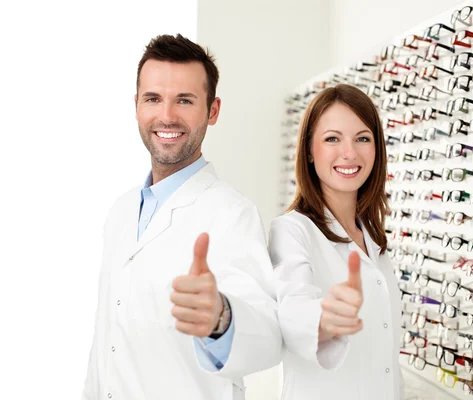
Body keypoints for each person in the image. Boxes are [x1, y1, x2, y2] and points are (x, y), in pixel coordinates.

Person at [82, 34, 282, 400]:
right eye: (153, 98)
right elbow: (106, 343)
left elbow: (268, 336)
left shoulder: (232, 214)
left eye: (185, 100)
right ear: (137, 106)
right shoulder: (121, 211)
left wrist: (221, 317)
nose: (167, 116)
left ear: (213, 110)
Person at [269, 83, 404, 399]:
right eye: (332, 139)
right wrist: (324, 318)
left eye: (362, 138)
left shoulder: (372, 239)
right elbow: (292, 309)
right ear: (310, 153)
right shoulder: (291, 231)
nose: (350, 153)